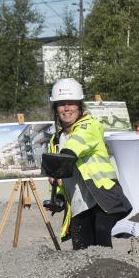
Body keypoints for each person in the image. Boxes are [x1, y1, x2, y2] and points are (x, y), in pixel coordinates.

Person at [47, 78, 132, 250]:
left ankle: (111, 274)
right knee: (81, 249)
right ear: (56, 108)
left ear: (80, 106)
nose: (66, 108)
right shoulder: (55, 140)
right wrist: (59, 193)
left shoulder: (89, 125)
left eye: (71, 103)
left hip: (102, 196)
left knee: (101, 233)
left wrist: (57, 165)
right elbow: (63, 178)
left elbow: (75, 146)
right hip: (79, 204)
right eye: (61, 104)